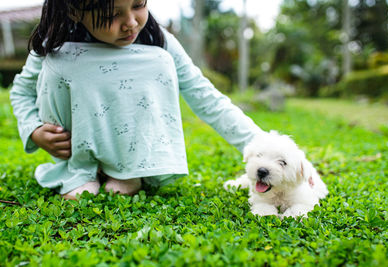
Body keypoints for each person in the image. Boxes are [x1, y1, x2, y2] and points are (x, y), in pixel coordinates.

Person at [10, 0, 262, 200]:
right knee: (62, 60)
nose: (130, 23)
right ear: (75, 11)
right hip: (75, 147)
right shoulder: (54, 39)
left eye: (139, 4)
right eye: (111, 15)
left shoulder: (157, 40)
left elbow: (206, 97)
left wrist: (266, 150)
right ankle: (80, 170)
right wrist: (33, 130)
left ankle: (130, 169)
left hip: (130, 150)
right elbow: (22, 91)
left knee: (159, 60)